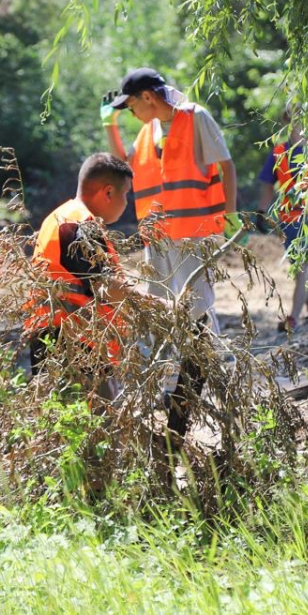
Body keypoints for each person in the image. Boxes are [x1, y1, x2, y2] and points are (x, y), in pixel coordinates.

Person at [102, 68, 241, 443]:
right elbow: (123, 166)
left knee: (196, 311)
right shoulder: (149, 131)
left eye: (130, 106)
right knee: (165, 311)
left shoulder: (195, 118)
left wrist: (228, 217)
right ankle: (179, 386)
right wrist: (109, 124)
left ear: (148, 97)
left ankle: (214, 386)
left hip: (194, 234)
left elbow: (225, 164)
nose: (130, 114)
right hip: (159, 238)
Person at [25, 153, 160, 402]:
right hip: (72, 346)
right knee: (94, 429)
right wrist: (160, 306)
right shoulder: (78, 225)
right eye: (126, 193)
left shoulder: (62, 217)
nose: (127, 201)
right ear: (108, 192)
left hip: (58, 340)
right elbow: (107, 287)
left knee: (74, 427)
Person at [257, 105, 308, 332]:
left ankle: (294, 318)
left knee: (303, 266)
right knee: (302, 267)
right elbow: (268, 183)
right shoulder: (279, 152)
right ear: (287, 120)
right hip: (289, 219)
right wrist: (261, 211)